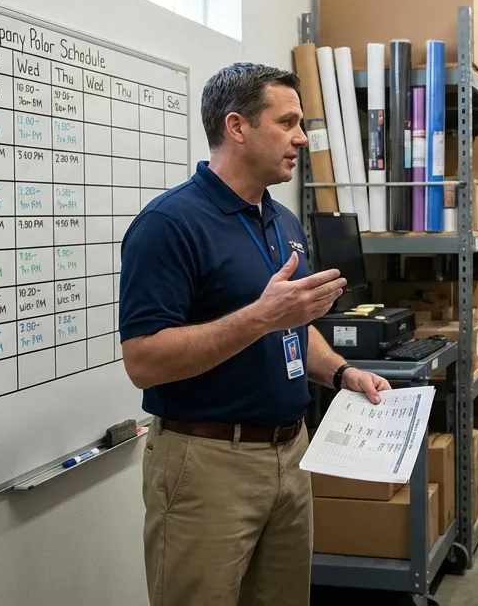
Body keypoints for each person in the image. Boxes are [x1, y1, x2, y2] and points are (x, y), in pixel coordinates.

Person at [117, 62, 391, 606]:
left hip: (290, 453)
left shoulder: (282, 220)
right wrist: (259, 316)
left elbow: (294, 329)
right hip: (207, 461)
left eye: (302, 122)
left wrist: (341, 372)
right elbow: (143, 361)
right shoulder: (169, 225)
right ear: (237, 126)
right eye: (287, 121)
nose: (301, 137)